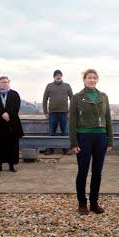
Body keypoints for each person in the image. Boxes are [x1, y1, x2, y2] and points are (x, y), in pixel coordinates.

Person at [69, 69, 113, 215]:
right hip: (83, 138)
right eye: (89, 77)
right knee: (83, 171)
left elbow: (108, 119)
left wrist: (110, 140)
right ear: (84, 79)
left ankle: (94, 203)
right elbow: (72, 122)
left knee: (97, 172)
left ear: (97, 80)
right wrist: (74, 143)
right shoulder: (76, 97)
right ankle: (82, 203)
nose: (92, 80)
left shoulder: (103, 97)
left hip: (100, 137)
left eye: (94, 78)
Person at [0, 76, 24, 173]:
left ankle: (12, 165)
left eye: (6, 82)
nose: (5, 83)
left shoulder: (14, 94)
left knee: (12, 144)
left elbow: (16, 106)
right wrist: (2, 113)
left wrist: (8, 113)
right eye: (2, 82)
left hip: (11, 122)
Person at [42, 69, 73, 155]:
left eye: (60, 75)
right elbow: (44, 99)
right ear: (54, 77)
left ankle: (66, 150)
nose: (58, 76)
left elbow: (72, 99)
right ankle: (50, 150)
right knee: (51, 132)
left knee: (65, 132)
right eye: (56, 75)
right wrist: (45, 112)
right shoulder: (49, 86)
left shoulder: (67, 86)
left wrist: (70, 111)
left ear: (61, 76)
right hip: (52, 113)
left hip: (64, 113)